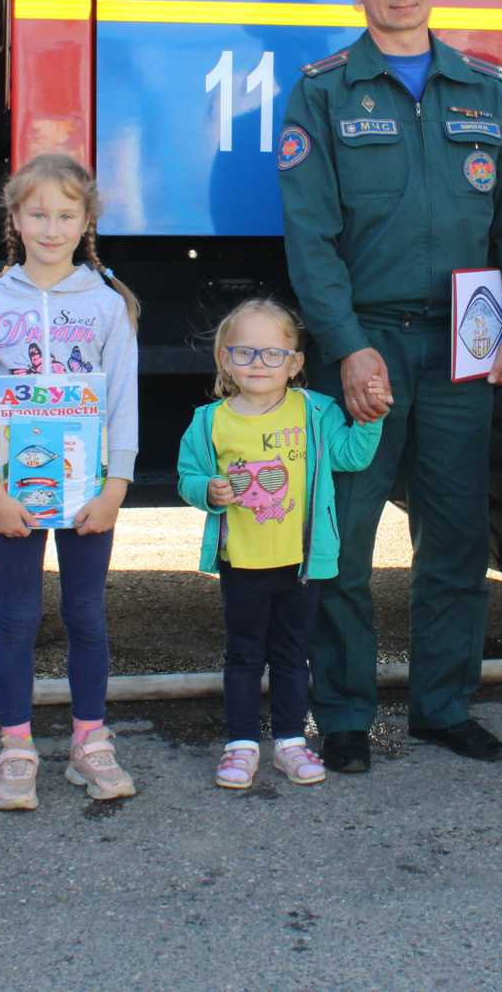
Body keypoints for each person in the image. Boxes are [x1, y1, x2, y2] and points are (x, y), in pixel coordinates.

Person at [279, 0, 502, 771]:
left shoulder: (486, 90)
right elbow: (310, 241)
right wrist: (347, 348)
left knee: (457, 536)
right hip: (368, 347)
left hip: (467, 345)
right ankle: (346, 716)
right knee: (345, 539)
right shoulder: (322, 92)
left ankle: (443, 706)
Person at [0, 152, 141, 811]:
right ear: (14, 216)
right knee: (19, 614)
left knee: (86, 613)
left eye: (66, 213)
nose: (52, 226)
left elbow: (124, 401)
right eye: (38, 212)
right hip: (15, 491)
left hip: (88, 488)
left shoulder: (107, 305)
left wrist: (115, 485)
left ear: (87, 218)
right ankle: (16, 747)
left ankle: (89, 741)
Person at [175, 299, 386, 789]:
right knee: (244, 655)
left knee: (293, 655)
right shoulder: (210, 421)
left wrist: (371, 417)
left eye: (273, 354)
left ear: (295, 364)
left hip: (301, 563)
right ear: (224, 358)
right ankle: (242, 744)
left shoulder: (315, 411)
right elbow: (188, 475)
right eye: (245, 353)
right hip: (242, 561)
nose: (258, 364)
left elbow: (351, 458)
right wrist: (208, 490)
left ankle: (291, 741)